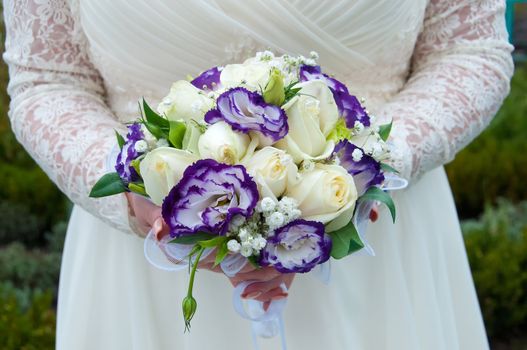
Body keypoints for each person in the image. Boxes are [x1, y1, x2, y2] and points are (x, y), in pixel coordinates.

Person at [3, 0, 513, 349]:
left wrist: (367, 165)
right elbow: (49, 80)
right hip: (151, 258)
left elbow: (468, 51)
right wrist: (139, 200)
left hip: (377, 250)